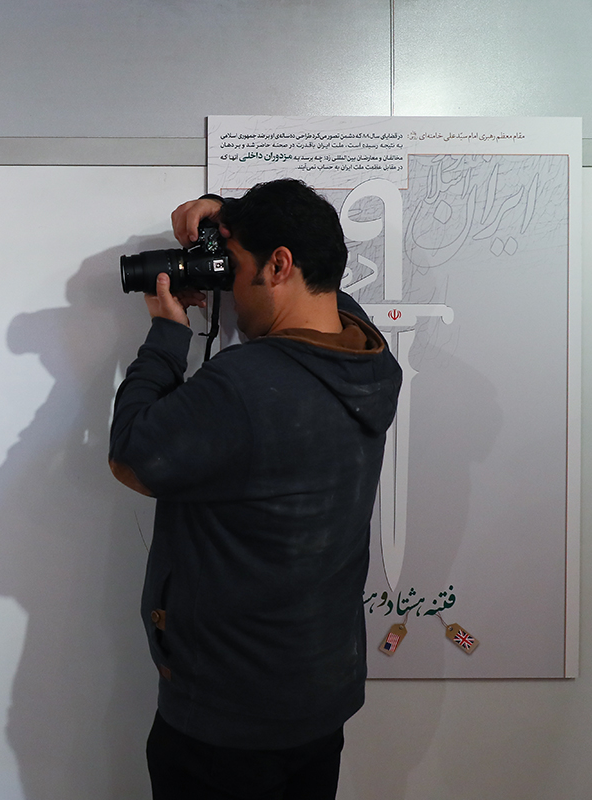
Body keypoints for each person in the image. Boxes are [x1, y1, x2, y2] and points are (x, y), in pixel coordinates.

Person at [108, 179, 402, 799]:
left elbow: (131, 457)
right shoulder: (370, 360)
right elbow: (326, 290)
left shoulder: (245, 384)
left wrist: (168, 333)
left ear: (280, 264)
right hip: (319, 700)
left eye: (235, 267)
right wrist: (237, 222)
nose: (230, 286)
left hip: (225, 718)